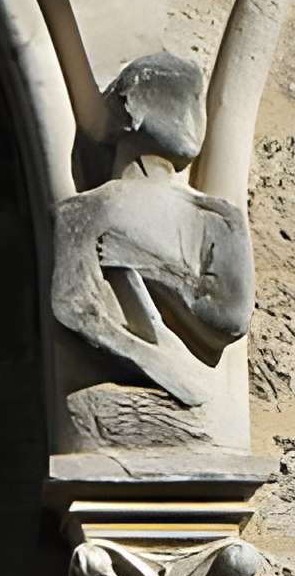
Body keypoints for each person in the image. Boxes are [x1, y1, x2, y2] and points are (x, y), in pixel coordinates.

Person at [50, 53, 253, 446]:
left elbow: (231, 316)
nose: (193, 114)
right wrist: (148, 358)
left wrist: (152, 266)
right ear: (130, 108)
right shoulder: (84, 210)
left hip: (199, 414)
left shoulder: (216, 217)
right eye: (184, 100)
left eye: (195, 101)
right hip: (115, 408)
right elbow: (73, 308)